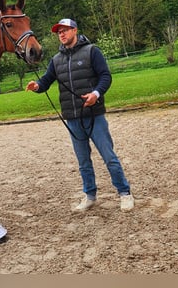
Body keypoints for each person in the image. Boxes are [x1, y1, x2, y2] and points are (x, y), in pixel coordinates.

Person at [26, 18, 134, 212]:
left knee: (109, 157)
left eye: (65, 30)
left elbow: (105, 76)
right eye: (59, 32)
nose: (61, 34)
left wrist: (96, 94)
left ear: (75, 31)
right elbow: (46, 81)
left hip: (94, 115)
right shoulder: (56, 60)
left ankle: (124, 193)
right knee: (83, 161)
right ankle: (90, 196)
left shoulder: (92, 51)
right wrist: (37, 86)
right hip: (72, 118)